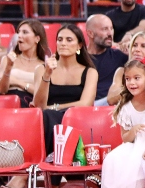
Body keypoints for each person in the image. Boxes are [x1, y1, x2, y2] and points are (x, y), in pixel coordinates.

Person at [86, 58, 145, 188]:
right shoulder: (126, 106)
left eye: (136, 78)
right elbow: (125, 137)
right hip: (135, 143)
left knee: (138, 159)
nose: (131, 82)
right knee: (112, 158)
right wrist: (134, 130)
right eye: (127, 78)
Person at [32, 24, 99, 156]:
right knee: (47, 116)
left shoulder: (90, 72)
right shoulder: (42, 69)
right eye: (60, 39)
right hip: (48, 122)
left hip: (78, 120)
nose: (63, 43)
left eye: (69, 40)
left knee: (49, 114)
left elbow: (85, 105)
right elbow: (39, 105)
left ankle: (54, 163)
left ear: (79, 45)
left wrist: (54, 107)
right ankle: (53, 163)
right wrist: (47, 74)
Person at [0, 19, 48, 106]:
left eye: (25, 32)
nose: (19, 36)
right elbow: (2, 90)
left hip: (28, 101)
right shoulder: (7, 59)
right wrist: (8, 68)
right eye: (18, 32)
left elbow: (41, 94)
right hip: (7, 99)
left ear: (37, 38)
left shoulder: (44, 65)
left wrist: (18, 82)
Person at [105, 32, 145, 105]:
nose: (137, 49)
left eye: (143, 46)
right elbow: (111, 99)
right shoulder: (121, 72)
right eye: (134, 45)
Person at [85, 15, 127, 104]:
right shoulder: (78, 56)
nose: (110, 33)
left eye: (111, 29)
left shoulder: (120, 56)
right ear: (90, 33)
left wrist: (131, 53)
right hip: (84, 105)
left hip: (111, 105)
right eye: (104, 29)